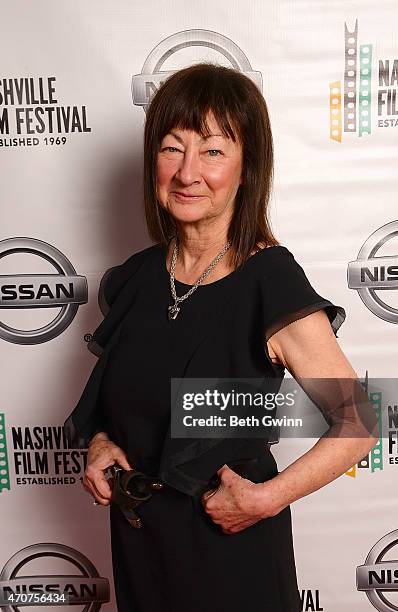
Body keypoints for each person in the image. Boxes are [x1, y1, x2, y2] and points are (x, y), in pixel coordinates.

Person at [64, 62, 378, 612]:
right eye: (171, 148)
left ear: (246, 166)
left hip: (229, 552)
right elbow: (121, 412)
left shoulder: (269, 279)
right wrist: (100, 446)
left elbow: (359, 422)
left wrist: (263, 500)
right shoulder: (136, 279)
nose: (188, 173)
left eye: (212, 151)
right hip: (141, 547)